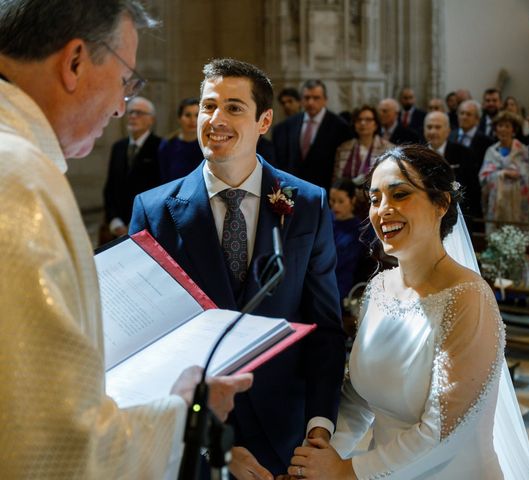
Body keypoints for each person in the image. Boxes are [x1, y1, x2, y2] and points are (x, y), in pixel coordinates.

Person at [0, 1, 252, 478]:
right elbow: (54, 449)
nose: (121, 107)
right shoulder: (19, 184)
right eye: (125, 81)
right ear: (75, 62)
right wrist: (183, 413)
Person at [129, 58, 346, 478]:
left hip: (285, 431)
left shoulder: (307, 204)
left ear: (264, 121)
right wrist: (215, 444)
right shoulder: (153, 210)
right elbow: (150, 343)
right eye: (209, 106)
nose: (216, 119)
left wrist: (319, 424)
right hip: (195, 437)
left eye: (234, 107)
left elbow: (325, 326)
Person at [286, 145, 529, 479]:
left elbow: (442, 430)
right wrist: (320, 455)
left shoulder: (468, 297)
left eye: (400, 194)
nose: (383, 210)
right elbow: (360, 398)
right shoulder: (378, 289)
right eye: (375, 199)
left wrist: (347, 471)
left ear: (441, 203)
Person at [272, 79, 353, 192]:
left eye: (316, 98)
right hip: (293, 191)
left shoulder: (340, 127)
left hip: (323, 192)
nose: (310, 102)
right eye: (307, 98)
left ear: (325, 100)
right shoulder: (287, 125)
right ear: (301, 100)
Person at [103, 95, 162, 237]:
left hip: (147, 228)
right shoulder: (118, 147)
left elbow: (160, 190)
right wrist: (114, 221)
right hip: (118, 227)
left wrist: (137, 223)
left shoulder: (161, 147)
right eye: (130, 112)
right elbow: (110, 187)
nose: (133, 116)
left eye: (139, 113)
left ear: (151, 120)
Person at [479, 110, 529, 231]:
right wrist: (503, 173)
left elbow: (527, 176)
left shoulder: (522, 150)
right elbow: (483, 177)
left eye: (507, 126)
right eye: (500, 126)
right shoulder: (491, 151)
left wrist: (515, 175)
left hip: (519, 205)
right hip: (497, 205)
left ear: (513, 130)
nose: (503, 129)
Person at [424, 111, 481, 222]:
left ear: (448, 131)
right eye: (429, 127)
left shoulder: (464, 153)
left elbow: (473, 189)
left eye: (437, 127)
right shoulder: (416, 154)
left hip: (458, 216)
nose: (433, 131)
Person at [330, 178, 367, 310]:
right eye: (332, 200)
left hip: (339, 283)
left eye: (341, 201)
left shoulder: (359, 230)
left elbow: (342, 260)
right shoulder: (326, 219)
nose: (335, 206)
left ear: (352, 201)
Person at [333, 105, 393, 185]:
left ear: (376, 125)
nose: (363, 123)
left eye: (368, 120)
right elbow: (335, 179)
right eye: (359, 120)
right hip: (346, 196)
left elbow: (389, 179)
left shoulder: (388, 149)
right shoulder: (343, 148)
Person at [158, 97, 203, 182]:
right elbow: (164, 177)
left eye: (197, 115)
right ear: (179, 118)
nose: (193, 120)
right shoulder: (168, 144)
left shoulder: (207, 144)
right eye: (187, 115)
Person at [451, 99, 494, 169]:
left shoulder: (487, 142)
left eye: (468, 114)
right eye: (461, 113)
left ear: (477, 119)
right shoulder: (450, 135)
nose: (464, 117)